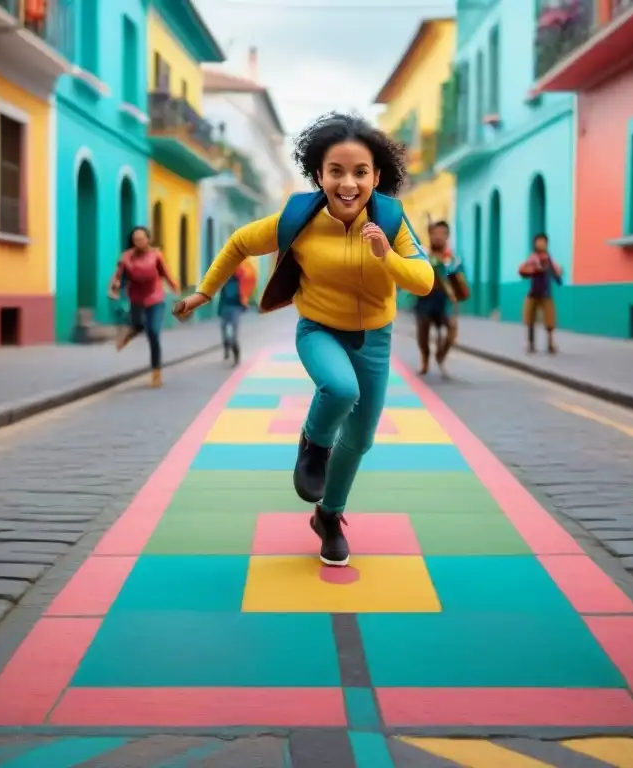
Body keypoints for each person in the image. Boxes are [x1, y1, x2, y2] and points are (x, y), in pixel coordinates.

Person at [173, 112, 434, 567]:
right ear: (319, 175)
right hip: (319, 329)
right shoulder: (301, 217)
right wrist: (204, 291)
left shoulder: (390, 219)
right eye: (336, 171)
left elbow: (424, 279)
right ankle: (313, 442)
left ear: (376, 176)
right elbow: (238, 242)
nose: (348, 183)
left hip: (375, 336)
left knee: (360, 439)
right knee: (340, 389)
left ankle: (328, 516)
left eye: (360, 172)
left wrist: (386, 255)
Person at [108, 226, 179, 387]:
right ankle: (128, 334)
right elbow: (118, 277)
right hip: (137, 298)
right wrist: (114, 288)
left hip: (155, 298)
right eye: (135, 239)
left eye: (141, 239)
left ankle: (156, 372)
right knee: (138, 325)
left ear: (148, 239)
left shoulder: (156, 256)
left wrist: (176, 289)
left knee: (153, 332)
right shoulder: (126, 258)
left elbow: (166, 274)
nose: (138, 242)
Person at [413, 220, 464, 378]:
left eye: (442, 233)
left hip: (445, 301)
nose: (438, 237)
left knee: (452, 332)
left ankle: (440, 355)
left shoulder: (452, 260)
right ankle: (425, 359)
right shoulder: (423, 254)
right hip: (425, 299)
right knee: (423, 331)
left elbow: (458, 281)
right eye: (434, 233)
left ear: (447, 236)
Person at [518, 233, 563, 354]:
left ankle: (550, 344)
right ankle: (531, 344)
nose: (541, 244)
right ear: (535, 243)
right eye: (539, 241)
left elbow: (556, 272)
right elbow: (522, 270)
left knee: (550, 320)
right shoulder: (532, 258)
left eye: (543, 242)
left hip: (546, 293)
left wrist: (558, 275)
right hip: (533, 293)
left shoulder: (549, 259)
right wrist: (532, 269)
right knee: (529, 319)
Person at [218, 260, 256, 366]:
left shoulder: (241, 279)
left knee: (234, 335)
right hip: (225, 307)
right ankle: (226, 348)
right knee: (224, 331)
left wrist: (244, 302)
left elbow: (245, 292)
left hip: (235, 308)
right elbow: (222, 297)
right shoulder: (225, 280)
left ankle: (236, 357)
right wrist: (219, 310)